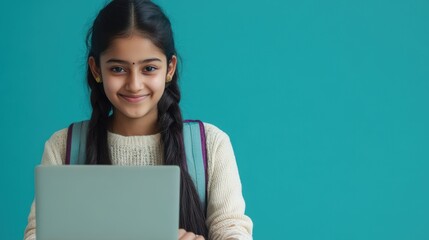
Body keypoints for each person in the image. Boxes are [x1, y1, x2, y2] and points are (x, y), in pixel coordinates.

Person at [23, 0, 253, 239]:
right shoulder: (63, 148)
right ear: (96, 70)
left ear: (170, 68)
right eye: (118, 69)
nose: (134, 85)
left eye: (149, 68)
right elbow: (37, 234)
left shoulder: (211, 145)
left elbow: (231, 229)